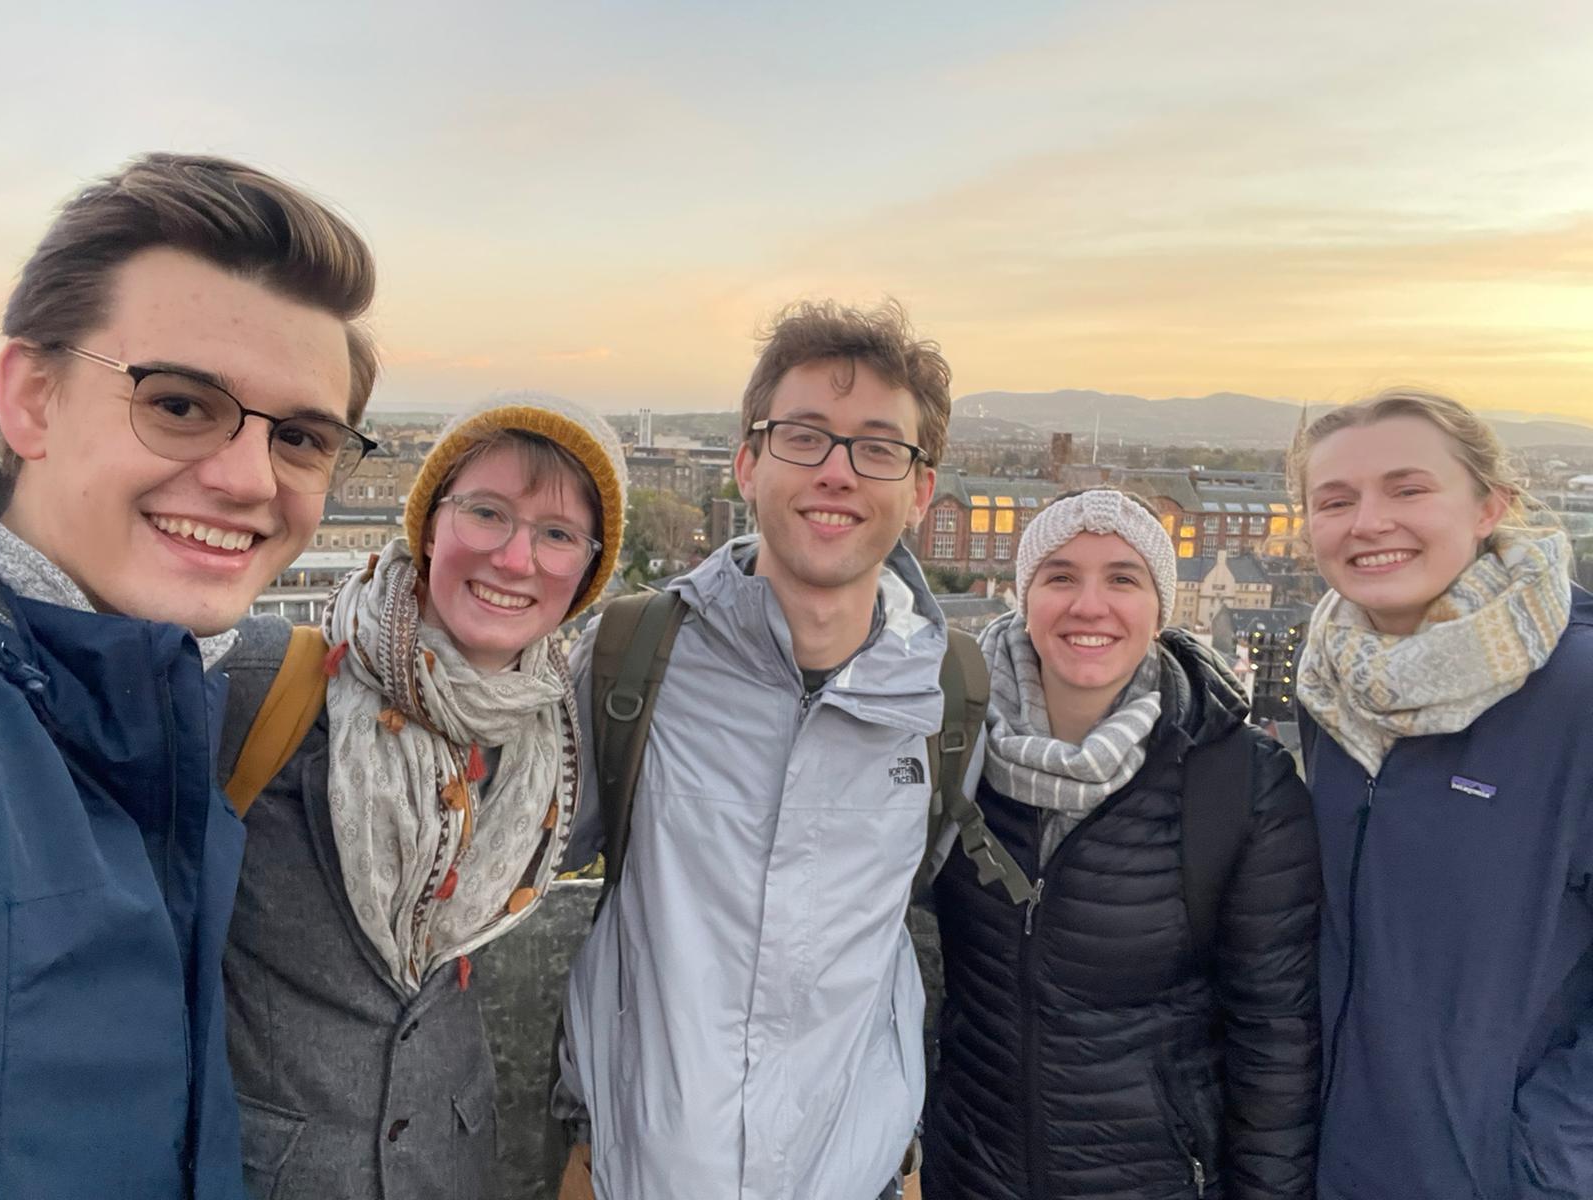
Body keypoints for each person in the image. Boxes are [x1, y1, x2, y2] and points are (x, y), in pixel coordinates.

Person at [0, 152, 377, 1198]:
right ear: (29, 397)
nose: (250, 479)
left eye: (300, 437)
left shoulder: (169, 713)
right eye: (177, 405)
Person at [554, 299, 953, 1200]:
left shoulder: (951, 699)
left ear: (920, 489)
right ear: (747, 463)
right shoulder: (631, 661)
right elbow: (505, 853)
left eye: (879, 447)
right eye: (805, 436)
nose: (840, 472)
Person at [217, 396, 626, 1199]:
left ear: (586, 569)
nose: (516, 558)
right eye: (487, 512)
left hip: (452, 1164)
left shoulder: (555, 743)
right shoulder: (263, 688)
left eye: (557, 533)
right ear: (430, 525)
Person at [924, 487, 1320, 1200]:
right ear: (1024, 595)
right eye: (1061, 576)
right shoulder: (951, 749)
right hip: (971, 1172)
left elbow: (1276, 1047)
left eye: (1123, 578)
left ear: (1161, 608)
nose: (1089, 605)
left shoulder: (1237, 784)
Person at [1290, 389, 1593, 1200]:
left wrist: (1551, 1162)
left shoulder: (1577, 694)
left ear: (1491, 505)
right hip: (1327, 1165)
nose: (1368, 522)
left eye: (1408, 488)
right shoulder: (1328, 690)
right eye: (1336, 500)